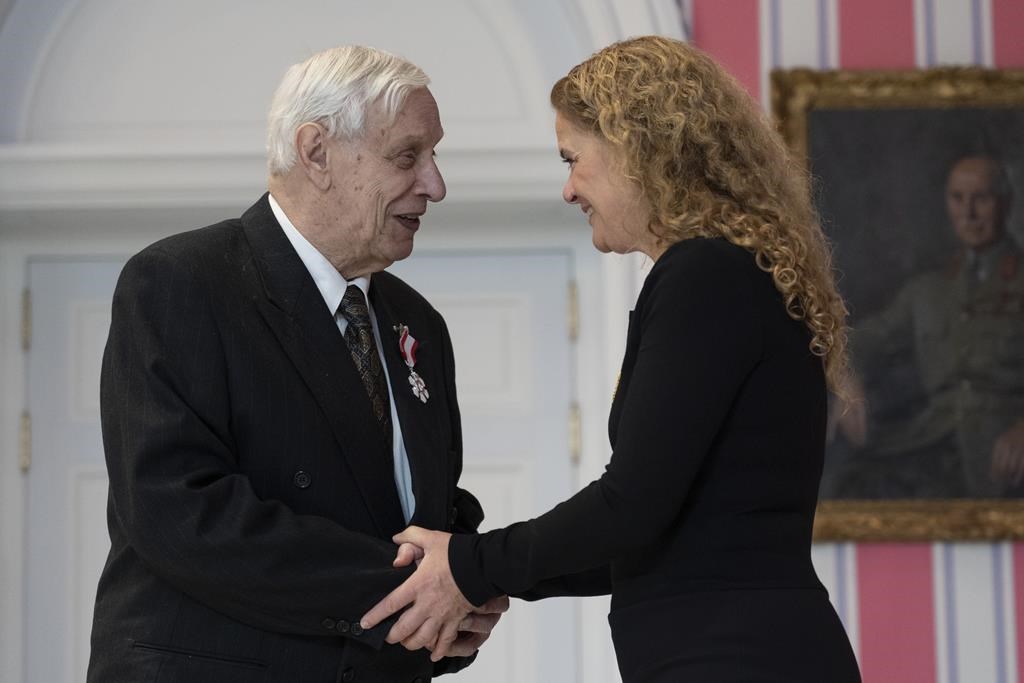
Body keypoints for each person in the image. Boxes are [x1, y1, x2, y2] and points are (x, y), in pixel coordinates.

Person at [361, 36, 861, 682]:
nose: (569, 190)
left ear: (637, 151)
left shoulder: (703, 275)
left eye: (573, 159)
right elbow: (655, 534)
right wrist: (482, 578)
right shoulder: (729, 274)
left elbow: (631, 505)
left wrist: (468, 563)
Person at [87, 45, 507, 683]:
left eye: (434, 156)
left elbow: (416, 510)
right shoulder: (180, 283)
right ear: (317, 152)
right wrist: (419, 591)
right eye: (407, 156)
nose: (435, 184)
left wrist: (463, 590)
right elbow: (178, 513)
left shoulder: (418, 325)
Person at [831, 154, 1024, 498]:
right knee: (845, 486)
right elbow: (859, 341)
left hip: (1005, 453)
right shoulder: (927, 290)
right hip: (928, 444)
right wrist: (845, 374)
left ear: (1005, 203)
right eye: (957, 198)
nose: (969, 213)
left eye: (981, 198)